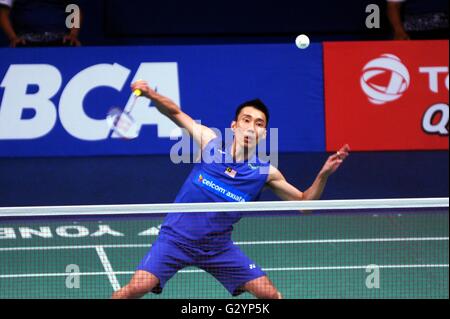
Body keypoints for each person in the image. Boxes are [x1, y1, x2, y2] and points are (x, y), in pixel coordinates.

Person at [112, 80, 350, 299]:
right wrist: (150, 93)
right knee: (136, 288)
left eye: (259, 124)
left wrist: (323, 175)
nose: (251, 127)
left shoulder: (264, 173)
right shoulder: (210, 144)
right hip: (175, 240)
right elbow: (175, 112)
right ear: (234, 126)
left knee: (271, 296)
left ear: (264, 134)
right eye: (246, 120)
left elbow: (304, 205)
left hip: (218, 248)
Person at [0, 0, 83, 47]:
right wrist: (13, 38)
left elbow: (74, 8)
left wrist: (73, 34)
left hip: (61, 39)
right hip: (25, 40)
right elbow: (3, 14)